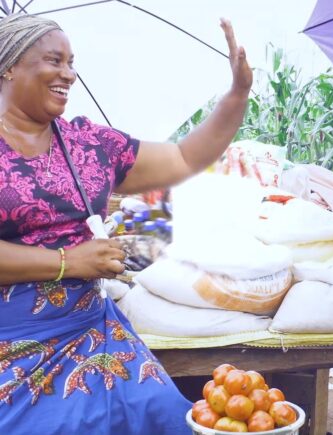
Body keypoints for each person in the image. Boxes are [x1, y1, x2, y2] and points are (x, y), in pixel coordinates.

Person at [0, 13, 252, 434]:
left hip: (92, 333)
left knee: (161, 415)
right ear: (8, 65)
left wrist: (237, 95)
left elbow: (185, 157)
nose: (69, 74)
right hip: (12, 344)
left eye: (72, 63)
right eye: (54, 61)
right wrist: (68, 262)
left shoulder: (89, 144)